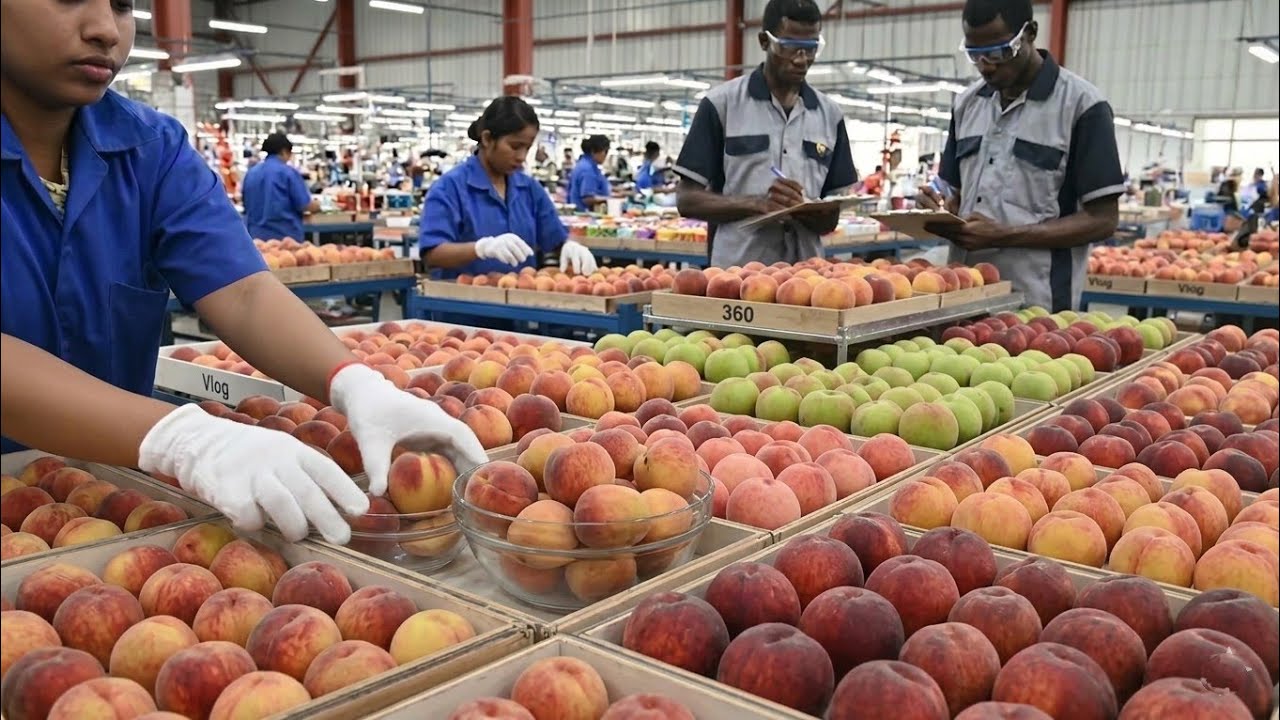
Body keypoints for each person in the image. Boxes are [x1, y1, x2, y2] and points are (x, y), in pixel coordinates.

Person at [0, 0, 487, 545]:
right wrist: (181, 438)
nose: (104, 30)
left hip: (106, 482)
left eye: (121, 5)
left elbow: (243, 291)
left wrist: (353, 383)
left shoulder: (149, 149)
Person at [916, 0, 1124, 312]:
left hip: (1039, 305)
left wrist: (1007, 235)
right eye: (975, 55)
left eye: (999, 52)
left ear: (1029, 34)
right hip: (966, 295)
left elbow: (1103, 220)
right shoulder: (967, 105)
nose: (986, 65)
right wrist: (936, 207)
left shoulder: (1081, 107)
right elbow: (953, 190)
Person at [673, 0, 857, 266]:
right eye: (789, 46)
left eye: (811, 48)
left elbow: (832, 216)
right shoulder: (721, 105)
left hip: (806, 280)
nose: (801, 59)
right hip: (737, 278)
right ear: (764, 41)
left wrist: (805, 209)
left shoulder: (830, 116)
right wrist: (756, 204)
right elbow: (687, 200)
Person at [418, 97, 598, 277]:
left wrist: (569, 246)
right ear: (488, 139)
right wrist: (481, 248)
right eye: (515, 146)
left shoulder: (529, 189)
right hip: (462, 301)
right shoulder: (449, 188)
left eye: (527, 148)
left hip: (522, 298)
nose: (521, 156)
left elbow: (554, 237)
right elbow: (433, 254)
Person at [241, 133, 319, 241]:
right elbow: (305, 205)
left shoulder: (251, 173)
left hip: (255, 238)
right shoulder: (288, 173)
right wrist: (317, 206)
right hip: (285, 238)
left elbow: (245, 204)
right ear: (284, 151)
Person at [568, 135, 613, 212]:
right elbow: (588, 198)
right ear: (593, 151)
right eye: (605, 151)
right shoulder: (587, 169)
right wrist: (611, 200)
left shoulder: (587, 165)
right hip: (585, 214)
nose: (606, 155)